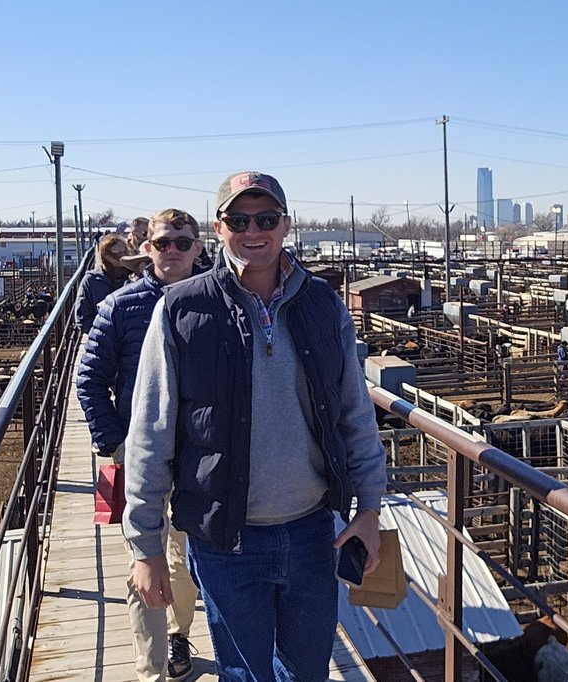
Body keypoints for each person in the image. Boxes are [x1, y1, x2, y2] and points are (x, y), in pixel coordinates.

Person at [122, 171, 387, 680]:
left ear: (286, 225)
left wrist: (369, 509)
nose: (253, 230)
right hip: (225, 539)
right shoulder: (182, 309)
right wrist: (146, 547)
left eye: (266, 218)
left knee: (307, 671)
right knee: (245, 674)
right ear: (218, 228)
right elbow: (150, 434)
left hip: (313, 531)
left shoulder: (322, 304)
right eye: (238, 219)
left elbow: (355, 415)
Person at [76, 209, 205, 681]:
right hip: (141, 453)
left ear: (198, 248)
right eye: (163, 242)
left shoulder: (215, 302)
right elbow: (89, 379)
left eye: (183, 242)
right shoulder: (120, 306)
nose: (173, 250)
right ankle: (150, 668)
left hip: (197, 455)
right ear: (146, 249)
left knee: (182, 560)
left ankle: (178, 633)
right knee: (143, 558)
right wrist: (113, 442)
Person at [73, 233, 130, 335]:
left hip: (129, 339)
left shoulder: (133, 278)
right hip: (102, 339)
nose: (122, 256)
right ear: (105, 255)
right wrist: (101, 335)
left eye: (124, 252)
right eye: (117, 252)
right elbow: (82, 317)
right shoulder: (91, 280)